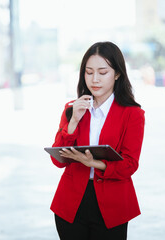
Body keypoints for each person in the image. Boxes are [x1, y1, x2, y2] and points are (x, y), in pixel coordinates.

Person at [50, 41, 145, 240]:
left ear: (117, 74)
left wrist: (93, 163)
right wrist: (74, 120)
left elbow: (129, 164)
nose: (94, 79)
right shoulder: (73, 108)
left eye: (102, 73)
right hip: (71, 204)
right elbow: (58, 160)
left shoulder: (133, 114)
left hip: (112, 205)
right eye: (89, 72)